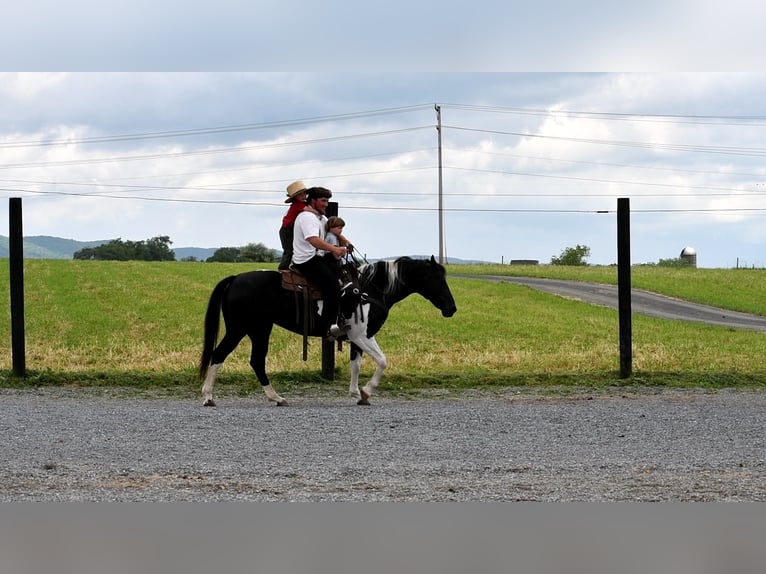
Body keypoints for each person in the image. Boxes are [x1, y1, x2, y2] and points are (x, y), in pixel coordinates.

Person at [291, 186, 351, 339]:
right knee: (332, 286)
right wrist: (335, 250)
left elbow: (331, 229)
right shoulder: (306, 217)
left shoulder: (320, 218)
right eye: (323, 201)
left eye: (327, 201)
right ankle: (327, 327)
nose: (326, 204)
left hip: (318, 258)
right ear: (313, 201)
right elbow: (313, 240)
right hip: (306, 260)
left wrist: (345, 241)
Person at [278, 180, 308, 270]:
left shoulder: (300, 204)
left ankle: (293, 266)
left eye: (304, 194)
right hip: (287, 230)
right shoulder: (298, 205)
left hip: (290, 229)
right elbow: (309, 210)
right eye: (300, 195)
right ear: (295, 197)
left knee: (294, 249)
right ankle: (282, 269)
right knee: (289, 250)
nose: (303, 196)